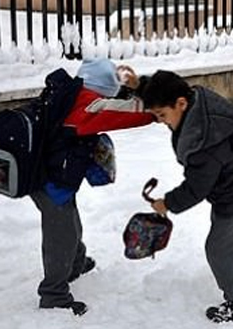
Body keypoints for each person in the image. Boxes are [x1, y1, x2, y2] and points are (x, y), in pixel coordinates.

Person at [139, 70, 233, 323]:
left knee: (219, 251)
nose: (160, 121)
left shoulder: (204, 142)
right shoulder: (201, 105)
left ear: (181, 103)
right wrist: (139, 85)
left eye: (162, 115)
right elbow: (166, 86)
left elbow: (195, 189)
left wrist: (166, 203)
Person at [32, 58, 154, 316]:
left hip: (50, 176)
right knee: (60, 234)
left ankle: (75, 264)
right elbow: (128, 113)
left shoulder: (69, 95)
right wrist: (157, 109)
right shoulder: (87, 105)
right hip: (49, 181)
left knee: (69, 224)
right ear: (103, 88)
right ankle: (53, 294)